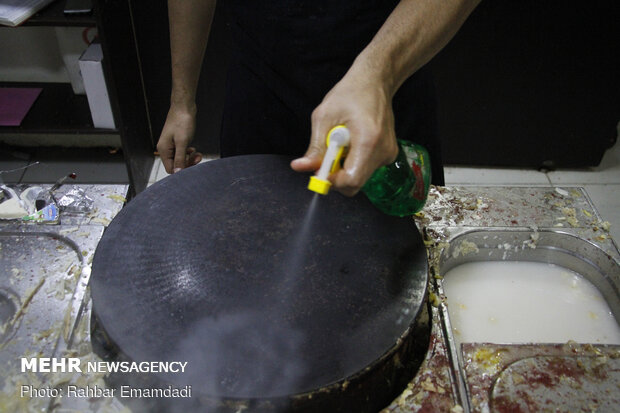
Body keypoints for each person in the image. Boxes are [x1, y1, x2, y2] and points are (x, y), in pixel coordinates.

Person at [157, 0, 480, 196]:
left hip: (386, 88)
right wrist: (181, 100)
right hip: (260, 88)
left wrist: (379, 74)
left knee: (403, 262)